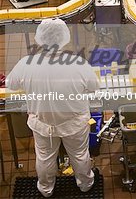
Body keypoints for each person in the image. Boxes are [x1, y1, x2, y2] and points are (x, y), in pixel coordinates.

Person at [6, 19, 100, 197]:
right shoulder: (78, 64)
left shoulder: (27, 64)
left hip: (43, 125)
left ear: (40, 39)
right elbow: (94, 86)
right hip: (74, 124)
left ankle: (46, 189)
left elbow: (11, 83)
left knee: (45, 158)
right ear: (65, 38)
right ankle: (86, 185)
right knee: (79, 155)